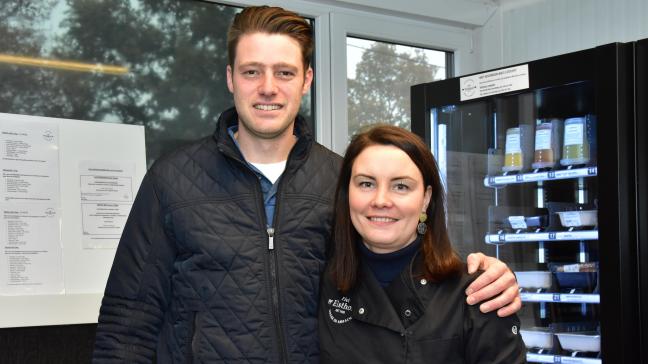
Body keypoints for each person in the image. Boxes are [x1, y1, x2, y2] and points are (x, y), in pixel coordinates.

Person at [93, 6, 521, 363]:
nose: (267, 88)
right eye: (251, 71)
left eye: (283, 72)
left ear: (307, 80)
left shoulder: (342, 181)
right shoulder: (171, 181)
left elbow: (396, 263)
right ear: (230, 79)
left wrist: (482, 272)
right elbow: (127, 322)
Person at [319, 125, 526, 363]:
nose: (381, 200)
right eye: (366, 184)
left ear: (426, 199)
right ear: (347, 194)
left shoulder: (478, 292)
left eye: (401, 186)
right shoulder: (321, 281)